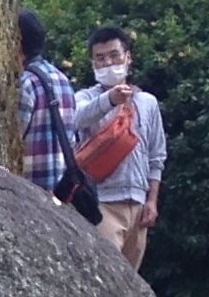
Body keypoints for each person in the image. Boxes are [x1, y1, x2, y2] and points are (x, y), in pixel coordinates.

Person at [70, 26, 167, 269]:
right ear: (93, 63)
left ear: (128, 57)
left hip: (138, 206)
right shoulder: (86, 97)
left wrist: (152, 200)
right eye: (100, 58)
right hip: (102, 204)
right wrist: (110, 100)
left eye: (114, 55)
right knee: (104, 276)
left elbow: (156, 155)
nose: (108, 63)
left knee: (130, 282)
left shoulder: (147, 102)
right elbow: (75, 118)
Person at [16, 10, 97, 220]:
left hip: (27, 194)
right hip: (59, 197)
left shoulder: (25, 83)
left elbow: (13, 140)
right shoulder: (61, 79)